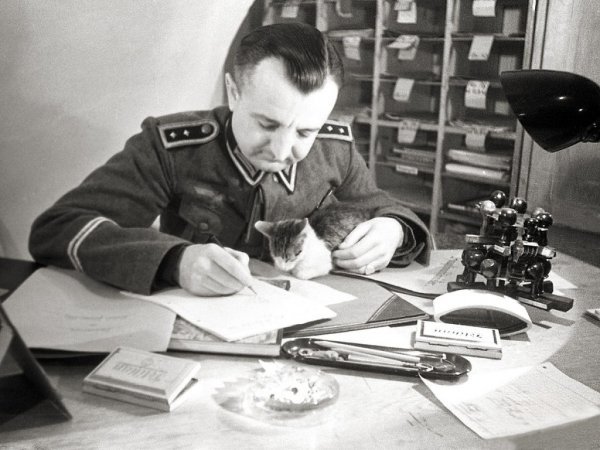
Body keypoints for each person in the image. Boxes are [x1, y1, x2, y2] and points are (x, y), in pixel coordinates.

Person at [29, 22, 432, 297]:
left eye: (305, 132)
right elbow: (58, 229)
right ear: (234, 92)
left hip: (305, 334)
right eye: (266, 124)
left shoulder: (334, 148)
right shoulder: (172, 147)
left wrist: (394, 231)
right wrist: (174, 259)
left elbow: (383, 206)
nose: (280, 151)